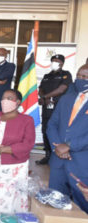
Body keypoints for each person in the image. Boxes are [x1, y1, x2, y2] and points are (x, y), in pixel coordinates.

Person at [47, 64, 88, 213]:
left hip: (82, 165)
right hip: (58, 162)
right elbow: (52, 124)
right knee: (55, 206)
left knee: (82, 209)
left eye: (85, 77)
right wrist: (57, 147)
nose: (80, 79)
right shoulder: (67, 98)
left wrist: (69, 145)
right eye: (78, 76)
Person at [36, 54, 72, 165]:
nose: (54, 62)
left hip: (59, 108)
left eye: (57, 61)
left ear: (62, 63)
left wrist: (45, 97)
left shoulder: (66, 75)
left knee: (57, 131)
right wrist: (43, 97)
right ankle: (47, 155)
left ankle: (56, 154)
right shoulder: (47, 75)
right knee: (45, 130)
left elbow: (61, 90)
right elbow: (41, 89)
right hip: (47, 108)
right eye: (53, 60)